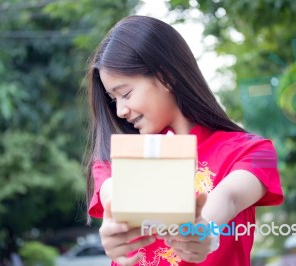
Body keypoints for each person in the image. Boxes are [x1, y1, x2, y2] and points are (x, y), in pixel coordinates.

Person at [84, 15, 283, 266]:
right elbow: (114, 194)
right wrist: (116, 228)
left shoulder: (254, 152)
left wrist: (203, 231)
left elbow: (229, 197)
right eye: (114, 100)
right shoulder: (118, 156)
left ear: (166, 77)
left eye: (125, 94)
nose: (120, 111)